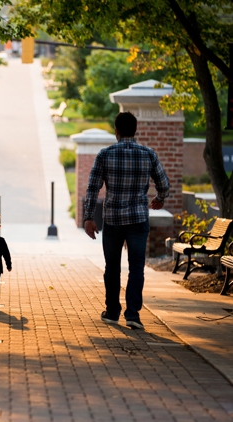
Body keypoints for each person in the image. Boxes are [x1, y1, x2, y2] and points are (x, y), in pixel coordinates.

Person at [84, 111, 170, 330]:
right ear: (136, 130)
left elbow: (93, 188)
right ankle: (133, 315)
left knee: (112, 267)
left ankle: (112, 312)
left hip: (112, 219)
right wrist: (159, 199)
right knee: (137, 268)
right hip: (138, 219)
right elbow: (164, 184)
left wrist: (88, 217)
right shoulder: (148, 154)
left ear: (117, 131)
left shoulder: (105, 154)